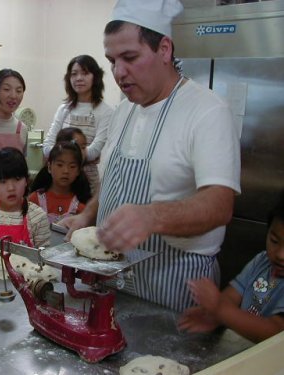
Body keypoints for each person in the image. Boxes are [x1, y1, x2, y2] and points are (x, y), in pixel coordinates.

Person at [61, 0, 241, 311]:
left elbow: (220, 204)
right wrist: (89, 214)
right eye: (112, 60)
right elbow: (113, 180)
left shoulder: (207, 111)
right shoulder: (125, 110)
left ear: (165, 50)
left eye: (130, 57)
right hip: (112, 282)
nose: (119, 72)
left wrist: (152, 216)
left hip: (174, 290)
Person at [178, 192, 284, 343]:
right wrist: (215, 317)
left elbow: (275, 333)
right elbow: (231, 296)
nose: (280, 254)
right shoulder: (262, 261)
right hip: (240, 348)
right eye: (274, 240)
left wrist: (221, 310)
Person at [43, 55, 113, 194]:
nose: (79, 78)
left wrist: (60, 156)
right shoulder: (64, 109)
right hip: (59, 181)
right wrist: (76, 157)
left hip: (88, 180)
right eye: (74, 74)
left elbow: (93, 152)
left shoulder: (106, 111)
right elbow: (47, 146)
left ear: (96, 77)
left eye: (85, 73)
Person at [29, 141, 91, 224]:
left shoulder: (81, 206)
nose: (66, 171)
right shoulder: (35, 200)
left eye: (72, 166)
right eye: (60, 165)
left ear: (78, 171)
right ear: (49, 167)